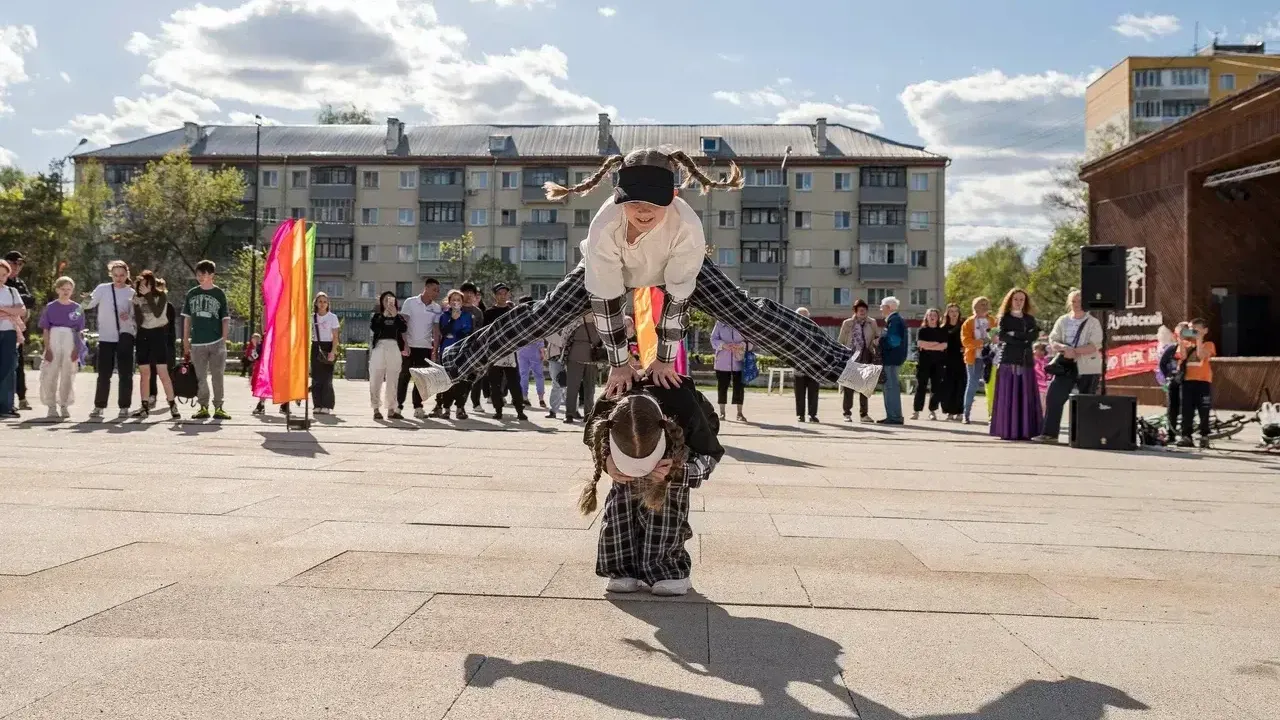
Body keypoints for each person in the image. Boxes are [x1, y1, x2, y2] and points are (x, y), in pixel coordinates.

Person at [409, 147, 880, 408]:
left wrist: (662, 358)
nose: (641, 215)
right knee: (540, 314)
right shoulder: (604, 228)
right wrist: (620, 362)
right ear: (618, 196)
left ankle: (842, 366)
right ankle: (449, 369)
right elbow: (608, 306)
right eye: (633, 205)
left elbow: (675, 305)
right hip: (612, 276)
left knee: (749, 312)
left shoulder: (687, 228)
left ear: (673, 197)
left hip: (676, 273)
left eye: (652, 208)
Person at [580, 377, 723, 596]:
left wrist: (676, 471)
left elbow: (709, 458)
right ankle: (621, 568)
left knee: (666, 500)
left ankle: (667, 569)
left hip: (676, 457)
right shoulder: (609, 400)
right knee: (621, 501)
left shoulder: (686, 408)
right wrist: (608, 461)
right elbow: (593, 440)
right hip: (623, 456)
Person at [1033, 290, 1105, 444]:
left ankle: (1085, 436)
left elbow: (1095, 345)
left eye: (1079, 301)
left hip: (1088, 365)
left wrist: (1075, 351)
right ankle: (1049, 434)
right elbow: (1053, 340)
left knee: (1086, 400)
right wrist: (1065, 349)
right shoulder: (1063, 320)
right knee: (1054, 397)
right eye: (1073, 301)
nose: (1076, 304)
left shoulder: (1093, 322)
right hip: (1065, 365)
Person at [85, 260, 137, 421]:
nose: (119, 278)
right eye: (115, 275)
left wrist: (128, 317)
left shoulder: (132, 293)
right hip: (106, 336)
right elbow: (88, 305)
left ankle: (124, 407)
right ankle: (99, 406)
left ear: (127, 275)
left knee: (126, 374)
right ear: (111, 275)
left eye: (122, 275)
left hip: (125, 335)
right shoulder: (103, 289)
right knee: (103, 373)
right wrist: (85, 299)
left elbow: (137, 319)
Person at [181, 260, 231, 420]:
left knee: (218, 375)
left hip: (216, 341)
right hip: (197, 342)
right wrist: (185, 341)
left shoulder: (219, 294)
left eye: (204, 274)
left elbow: (225, 318)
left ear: (212, 275)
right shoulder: (192, 294)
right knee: (200, 376)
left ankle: (219, 407)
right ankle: (203, 406)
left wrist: (224, 339)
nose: (201, 277)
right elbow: (187, 319)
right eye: (198, 274)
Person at [989, 288, 1041, 441]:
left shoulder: (1029, 319)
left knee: (1025, 394)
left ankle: (1025, 430)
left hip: (1025, 360)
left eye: (1021, 299)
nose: (1019, 302)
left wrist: (1016, 335)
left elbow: (1032, 337)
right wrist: (1021, 338)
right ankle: (1008, 430)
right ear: (1010, 300)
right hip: (1008, 360)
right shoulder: (1004, 318)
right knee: (1009, 395)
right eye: (1016, 299)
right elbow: (1004, 337)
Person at [131, 270, 179, 420]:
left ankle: (172, 404)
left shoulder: (161, 296)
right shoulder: (136, 298)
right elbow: (139, 321)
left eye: (147, 284)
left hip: (158, 334)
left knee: (162, 372)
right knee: (144, 373)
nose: (144, 287)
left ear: (152, 284)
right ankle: (144, 406)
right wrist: (136, 307)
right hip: (143, 335)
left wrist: (148, 296)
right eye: (141, 285)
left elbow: (158, 313)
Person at [38, 276, 85, 420]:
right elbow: (45, 329)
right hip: (54, 337)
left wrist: (77, 349)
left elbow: (79, 331)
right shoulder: (51, 307)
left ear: (72, 291)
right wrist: (48, 349)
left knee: (68, 373)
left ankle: (64, 404)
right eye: (63, 289)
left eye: (69, 289)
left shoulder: (77, 308)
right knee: (50, 373)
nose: (66, 292)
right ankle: (51, 405)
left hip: (70, 339)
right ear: (57, 289)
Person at [396, 278, 442, 419]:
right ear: (426, 288)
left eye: (438, 291)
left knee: (421, 379)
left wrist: (435, 349)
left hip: (425, 347)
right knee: (404, 376)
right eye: (434, 289)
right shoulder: (410, 302)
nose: (436, 293)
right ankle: (398, 407)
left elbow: (436, 330)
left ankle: (418, 407)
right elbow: (403, 325)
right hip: (409, 347)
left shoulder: (436, 308)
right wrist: (405, 344)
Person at [483, 283, 527, 421]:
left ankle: (520, 410)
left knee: (514, 382)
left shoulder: (513, 311)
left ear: (508, 294)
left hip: (510, 351)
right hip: (495, 352)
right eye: (499, 294)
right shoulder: (489, 313)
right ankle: (498, 409)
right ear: (494, 296)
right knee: (495, 383)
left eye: (504, 293)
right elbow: (485, 333)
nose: (502, 296)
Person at [1176, 318, 1216, 449]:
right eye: (1191, 330)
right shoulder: (1187, 344)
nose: (1193, 332)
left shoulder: (1209, 344)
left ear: (1205, 331)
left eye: (1197, 330)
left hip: (1203, 381)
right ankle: (1186, 436)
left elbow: (1201, 356)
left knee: (1203, 409)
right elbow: (1182, 356)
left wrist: (1199, 340)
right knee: (1187, 410)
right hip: (1188, 381)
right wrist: (1181, 340)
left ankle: (1204, 436)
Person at [434, 290, 474, 419]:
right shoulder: (444, 316)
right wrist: (453, 320)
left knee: (461, 381)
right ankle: (446, 408)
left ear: (462, 302)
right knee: (447, 380)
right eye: (453, 300)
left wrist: (458, 330)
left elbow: (468, 333)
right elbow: (444, 332)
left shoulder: (467, 316)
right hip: (447, 351)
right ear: (449, 302)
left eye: (458, 300)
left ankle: (460, 407)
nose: (456, 302)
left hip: (461, 351)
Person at [838, 299, 880, 423]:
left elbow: (876, 337)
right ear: (855, 311)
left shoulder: (872, 323)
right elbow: (841, 340)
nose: (862, 312)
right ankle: (847, 413)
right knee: (848, 386)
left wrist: (876, 343)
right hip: (851, 356)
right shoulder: (848, 323)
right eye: (860, 310)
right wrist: (842, 356)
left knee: (864, 387)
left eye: (865, 310)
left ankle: (864, 414)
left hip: (866, 356)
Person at [369, 291, 408, 421]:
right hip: (379, 347)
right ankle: (376, 408)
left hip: (394, 347)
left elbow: (403, 329)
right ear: (381, 302)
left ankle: (391, 408)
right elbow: (374, 328)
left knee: (393, 379)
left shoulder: (398, 317)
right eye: (385, 300)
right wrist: (384, 316)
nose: (388, 303)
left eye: (390, 300)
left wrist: (395, 315)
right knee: (376, 378)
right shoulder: (377, 316)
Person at [3, 251, 35, 411]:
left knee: (18, 364)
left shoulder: (20, 283)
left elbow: (30, 300)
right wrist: (14, 307)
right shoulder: (4, 282)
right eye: (14, 263)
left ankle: (21, 397)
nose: (17, 267)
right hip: (5, 328)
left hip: (17, 331)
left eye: (20, 264)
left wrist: (14, 306)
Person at [0, 259, 28, 419]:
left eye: (4, 274)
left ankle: (7, 406)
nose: (1, 277)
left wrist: (3, 309)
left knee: (9, 369)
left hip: (10, 333)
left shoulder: (12, 291)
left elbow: (22, 310)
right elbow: (15, 310)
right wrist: (11, 311)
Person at [959, 296, 995, 425]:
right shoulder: (968, 322)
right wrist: (981, 342)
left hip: (990, 358)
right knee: (972, 385)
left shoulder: (992, 320)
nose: (984, 306)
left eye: (986, 304)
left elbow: (997, 336)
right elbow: (965, 341)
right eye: (981, 304)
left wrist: (992, 341)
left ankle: (992, 415)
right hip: (973, 358)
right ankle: (966, 414)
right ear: (975, 307)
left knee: (990, 386)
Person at [563, 310, 602, 424]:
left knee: (588, 389)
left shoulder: (599, 323)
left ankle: (586, 414)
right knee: (575, 388)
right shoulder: (575, 322)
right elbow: (565, 338)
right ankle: (572, 413)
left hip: (590, 358)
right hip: (578, 357)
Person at [912, 307, 947, 421]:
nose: (932, 317)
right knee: (920, 386)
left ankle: (932, 411)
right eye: (930, 315)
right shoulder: (922, 330)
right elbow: (921, 344)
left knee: (936, 388)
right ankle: (916, 411)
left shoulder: (942, 331)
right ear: (926, 317)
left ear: (938, 318)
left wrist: (929, 345)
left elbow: (944, 346)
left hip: (938, 363)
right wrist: (936, 345)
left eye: (935, 315)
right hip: (923, 363)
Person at [877, 297, 908, 425]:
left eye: (882, 306)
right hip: (894, 359)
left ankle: (894, 416)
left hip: (891, 359)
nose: (880, 308)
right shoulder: (895, 320)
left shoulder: (894, 321)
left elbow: (893, 341)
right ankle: (893, 415)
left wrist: (879, 341)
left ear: (888, 308)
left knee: (890, 387)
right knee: (890, 387)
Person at [710, 320, 748, 421]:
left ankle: (739, 413)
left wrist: (742, 345)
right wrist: (723, 345)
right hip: (722, 361)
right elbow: (713, 339)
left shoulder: (743, 322)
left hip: (739, 361)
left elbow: (752, 341)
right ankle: (722, 413)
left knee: (739, 387)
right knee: (722, 387)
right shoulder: (719, 323)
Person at [310, 292, 340, 415]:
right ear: (316, 303)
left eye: (324, 302)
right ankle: (317, 405)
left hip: (328, 346)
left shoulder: (332, 317)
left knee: (327, 378)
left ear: (328, 304)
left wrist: (333, 351)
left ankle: (327, 405)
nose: (322, 304)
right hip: (316, 346)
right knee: (316, 378)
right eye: (320, 301)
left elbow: (335, 337)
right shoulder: (312, 317)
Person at [460, 282, 488, 413]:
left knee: (475, 376)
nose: (469, 295)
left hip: (473, 348)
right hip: (457, 346)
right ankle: (447, 404)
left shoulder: (478, 312)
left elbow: (481, 330)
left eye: (472, 293)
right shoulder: (456, 308)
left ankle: (476, 403)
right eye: (466, 292)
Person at [515, 296, 547, 409]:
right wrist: (542, 350)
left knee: (524, 375)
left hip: (522, 350)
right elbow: (540, 335)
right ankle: (541, 398)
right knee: (539, 375)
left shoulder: (518, 320)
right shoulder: (536, 318)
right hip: (534, 350)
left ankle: (524, 397)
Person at [1157, 323, 1188, 437]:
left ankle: (1186, 434)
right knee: (1172, 408)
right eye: (1178, 334)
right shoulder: (1172, 348)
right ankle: (1171, 433)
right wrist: (1168, 376)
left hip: (1187, 383)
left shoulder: (1191, 347)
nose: (1180, 336)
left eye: (1184, 333)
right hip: (1173, 382)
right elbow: (1162, 364)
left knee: (1185, 408)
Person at [792, 307, 820, 422]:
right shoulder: (792, 330)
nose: (803, 318)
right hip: (799, 365)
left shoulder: (815, 329)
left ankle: (812, 415)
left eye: (805, 316)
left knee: (813, 392)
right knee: (799, 392)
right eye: (800, 316)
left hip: (814, 366)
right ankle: (800, 415)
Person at [939, 303, 966, 421]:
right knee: (947, 386)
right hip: (947, 360)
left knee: (961, 386)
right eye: (951, 311)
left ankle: (960, 411)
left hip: (961, 360)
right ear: (947, 313)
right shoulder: (943, 327)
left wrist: (966, 348)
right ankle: (949, 411)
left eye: (956, 311)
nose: (954, 313)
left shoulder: (963, 325)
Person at [544, 318, 574, 420]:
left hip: (570, 357)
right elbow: (548, 335)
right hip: (555, 357)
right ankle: (553, 411)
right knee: (556, 384)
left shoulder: (573, 321)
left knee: (572, 385)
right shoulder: (553, 321)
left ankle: (573, 410)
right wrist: (565, 342)